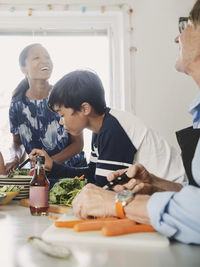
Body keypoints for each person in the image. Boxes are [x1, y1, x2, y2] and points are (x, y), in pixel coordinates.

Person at [72, 1, 200, 244]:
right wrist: (156, 185)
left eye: (188, 25)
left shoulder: (112, 125)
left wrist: (119, 202)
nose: (177, 37)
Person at [29, 70, 185, 186]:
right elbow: (92, 175)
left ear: (84, 109)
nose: (61, 122)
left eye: (62, 115)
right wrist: (52, 166)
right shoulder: (103, 127)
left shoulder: (113, 129)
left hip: (174, 191)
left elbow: (103, 186)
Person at [6, 43, 86, 172]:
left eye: (47, 57)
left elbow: (78, 144)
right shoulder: (17, 104)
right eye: (36, 58)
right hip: (38, 176)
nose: (44, 61)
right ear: (23, 68)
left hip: (72, 173)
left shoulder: (65, 96)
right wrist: (14, 158)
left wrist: (49, 163)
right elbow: (17, 143)